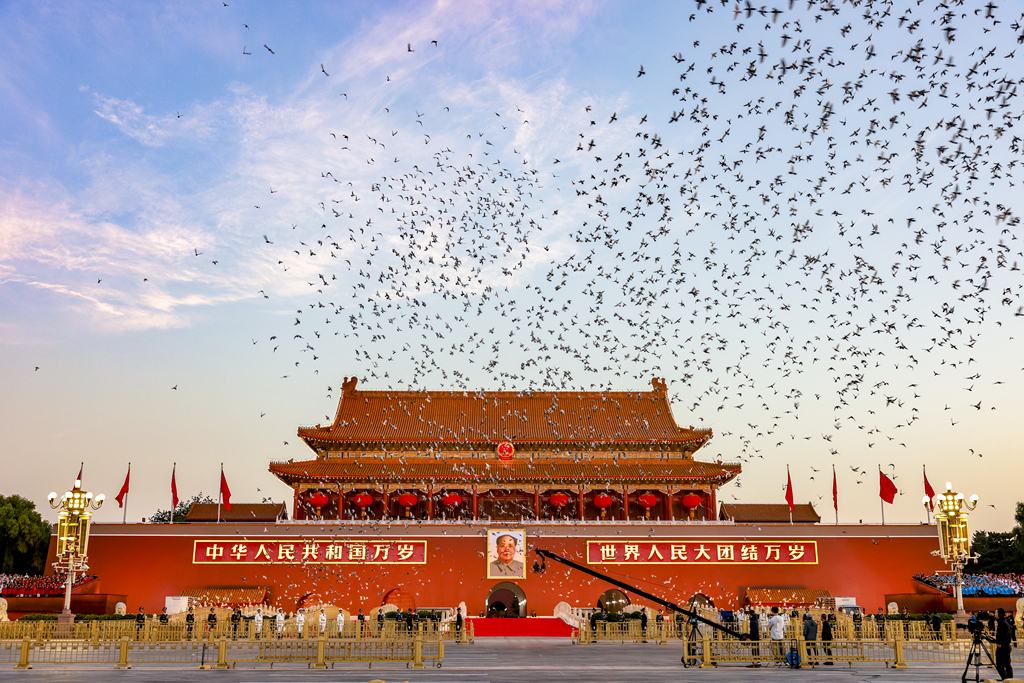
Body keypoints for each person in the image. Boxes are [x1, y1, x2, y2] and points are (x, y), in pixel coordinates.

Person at [995, 608, 1014, 681]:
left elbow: (1005, 635)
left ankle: (1006, 680)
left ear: (1000, 614)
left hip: (1003, 647)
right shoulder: (1004, 622)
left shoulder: (1002, 623)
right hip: (1006, 646)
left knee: (1000, 666)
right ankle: (1010, 680)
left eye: (996, 613)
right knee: (1007, 665)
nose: (995, 614)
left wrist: (1000, 643)